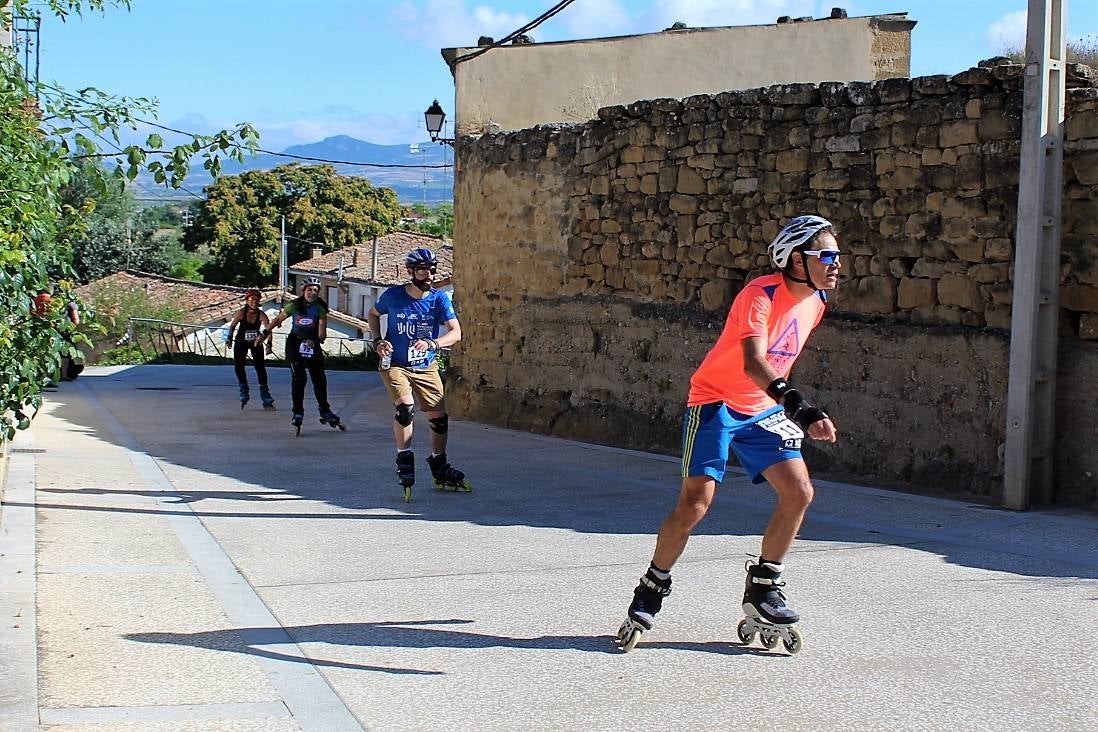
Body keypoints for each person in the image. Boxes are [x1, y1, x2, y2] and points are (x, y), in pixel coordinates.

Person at [615, 215, 841, 654]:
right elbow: (754, 361)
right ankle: (653, 585)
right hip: (716, 400)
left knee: (799, 492)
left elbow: (779, 361)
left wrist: (781, 404)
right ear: (797, 259)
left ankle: (764, 586)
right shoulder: (759, 294)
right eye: (825, 256)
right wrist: (799, 407)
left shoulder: (818, 300)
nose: (836, 264)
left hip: (761, 408)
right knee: (695, 503)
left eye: (838, 256)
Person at [368, 247, 469, 502]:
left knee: (439, 418)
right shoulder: (393, 296)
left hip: (426, 365)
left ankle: (439, 463)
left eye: (433, 271)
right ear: (411, 272)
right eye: (424, 271)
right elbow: (373, 314)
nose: (430, 276)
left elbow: (456, 333)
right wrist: (377, 340)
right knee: (406, 409)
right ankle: (404, 456)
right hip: (395, 363)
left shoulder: (438, 299)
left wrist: (434, 343)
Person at [264, 276, 343, 433]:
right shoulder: (294, 306)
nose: (312, 293)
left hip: (311, 343)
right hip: (295, 343)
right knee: (299, 378)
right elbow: (278, 318)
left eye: (315, 290)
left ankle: (324, 409)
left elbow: (322, 335)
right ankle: (298, 412)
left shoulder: (320, 309)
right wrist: (264, 333)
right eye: (309, 290)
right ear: (303, 291)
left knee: (319, 379)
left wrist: (315, 340)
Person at [225, 288, 275, 410]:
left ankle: (264, 392)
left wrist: (269, 344)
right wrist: (230, 339)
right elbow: (232, 326)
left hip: (255, 342)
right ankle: (243, 387)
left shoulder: (261, 314)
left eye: (257, 300)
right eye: (252, 299)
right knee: (239, 365)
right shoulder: (241, 313)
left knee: (260, 367)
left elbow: (268, 329)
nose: (254, 302)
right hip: (241, 341)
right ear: (247, 301)